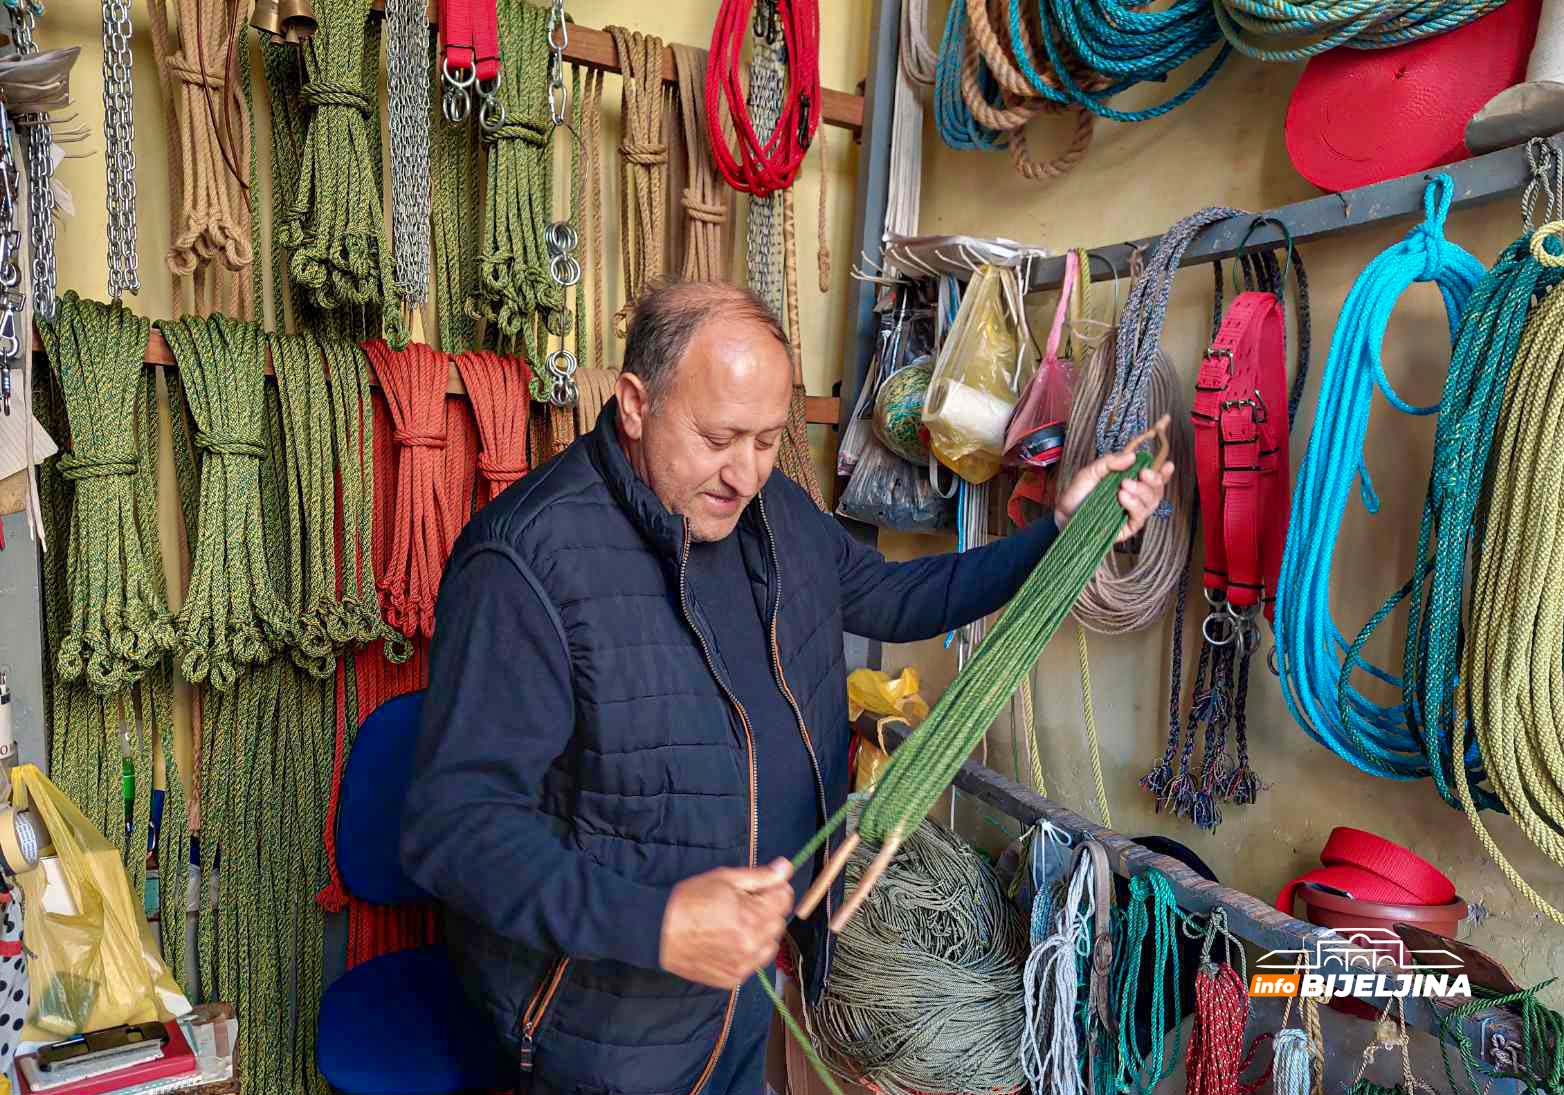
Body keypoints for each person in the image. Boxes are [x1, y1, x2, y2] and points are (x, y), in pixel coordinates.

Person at [402, 280, 1172, 1095]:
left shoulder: (778, 515)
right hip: (602, 1029)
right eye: (720, 437)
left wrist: (1057, 532)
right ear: (634, 403)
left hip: (742, 993)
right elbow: (453, 829)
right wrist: (656, 924)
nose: (745, 472)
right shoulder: (527, 563)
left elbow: (897, 595)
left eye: (769, 440)